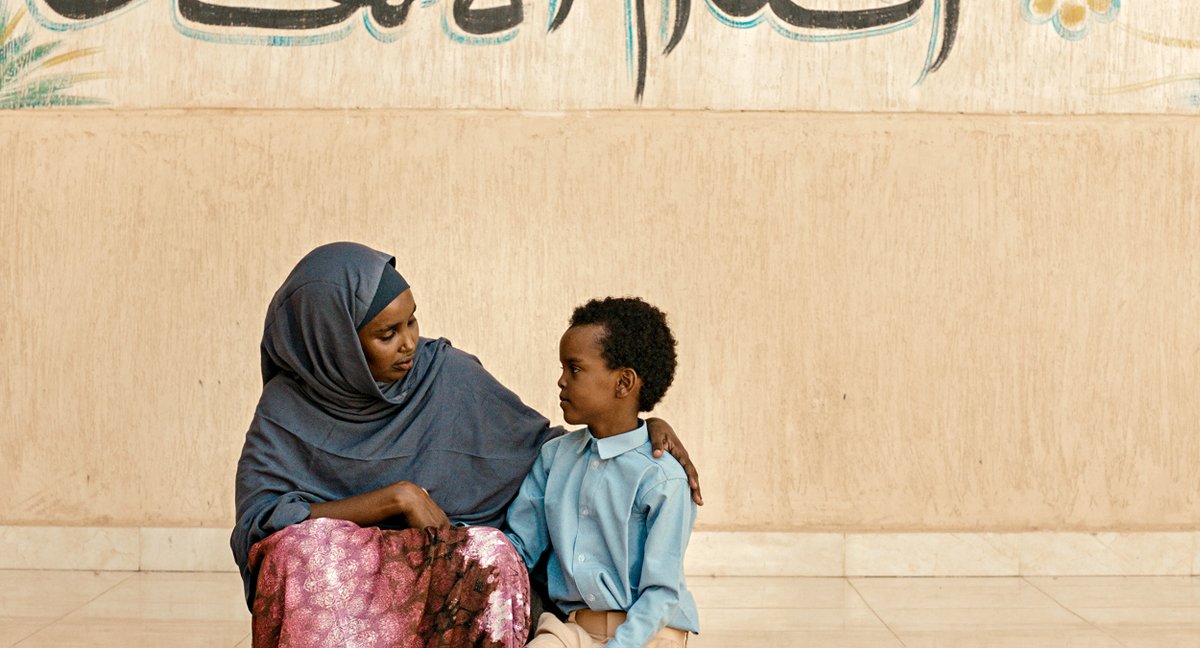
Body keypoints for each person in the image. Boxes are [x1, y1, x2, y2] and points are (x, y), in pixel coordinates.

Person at [230, 243, 702, 648]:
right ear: (332, 341)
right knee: (299, 551)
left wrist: (643, 424)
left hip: (444, 574)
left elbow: (549, 450)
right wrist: (397, 497)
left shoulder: (445, 376)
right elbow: (265, 519)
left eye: (412, 322)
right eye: (386, 334)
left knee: (492, 554)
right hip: (344, 583)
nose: (410, 343)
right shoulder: (286, 410)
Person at [504, 297, 700, 648]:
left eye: (574, 369)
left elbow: (662, 591)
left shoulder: (663, 479)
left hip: (652, 631)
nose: (561, 381)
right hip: (572, 630)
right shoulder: (554, 457)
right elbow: (518, 549)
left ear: (623, 383)